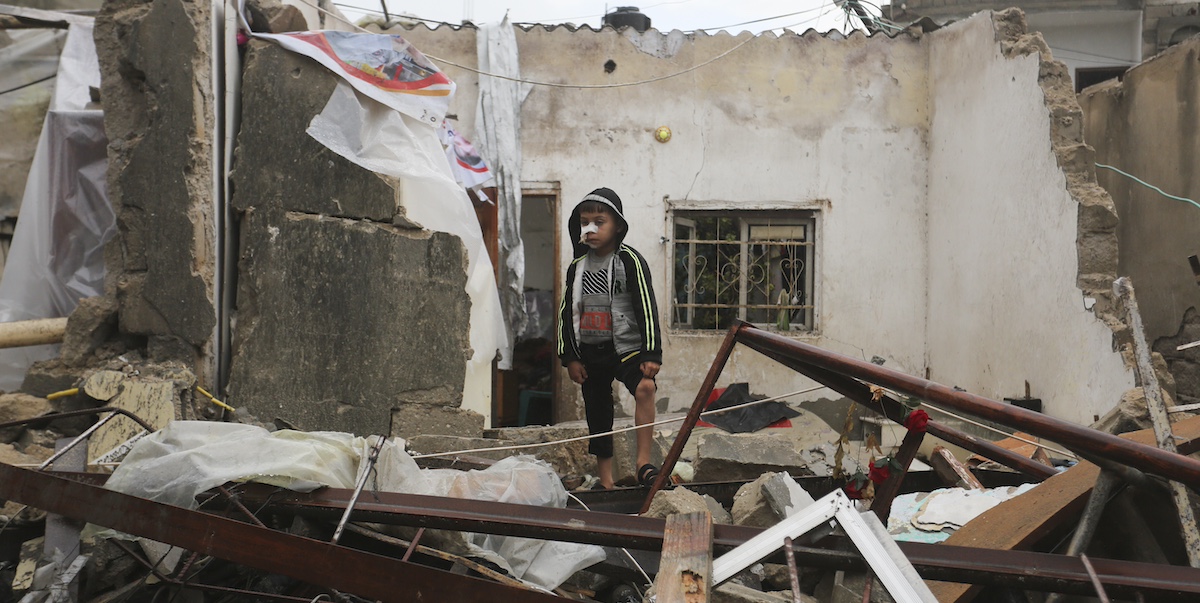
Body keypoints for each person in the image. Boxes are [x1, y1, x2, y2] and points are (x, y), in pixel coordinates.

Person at [558, 187, 662, 489]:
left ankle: (643, 462)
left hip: (626, 348)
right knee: (598, 414)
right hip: (591, 352)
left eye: (599, 221)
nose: (590, 229)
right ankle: (606, 481)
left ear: (617, 225)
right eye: (584, 222)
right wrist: (570, 357)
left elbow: (646, 304)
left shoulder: (630, 260)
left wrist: (651, 353)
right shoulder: (576, 268)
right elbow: (567, 311)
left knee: (644, 388)